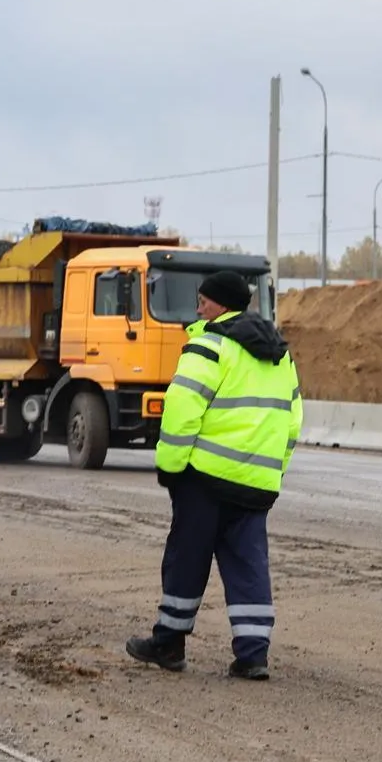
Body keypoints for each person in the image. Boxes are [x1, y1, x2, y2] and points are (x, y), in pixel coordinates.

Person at [128, 271, 302, 681]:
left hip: (205, 479)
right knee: (249, 565)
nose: (198, 308)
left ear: (220, 305)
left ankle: (169, 643)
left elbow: (181, 412)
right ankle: (253, 654)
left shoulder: (207, 347)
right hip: (256, 483)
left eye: (203, 301)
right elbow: (293, 422)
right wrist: (272, 471)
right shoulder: (280, 355)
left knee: (186, 559)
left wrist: (170, 468)